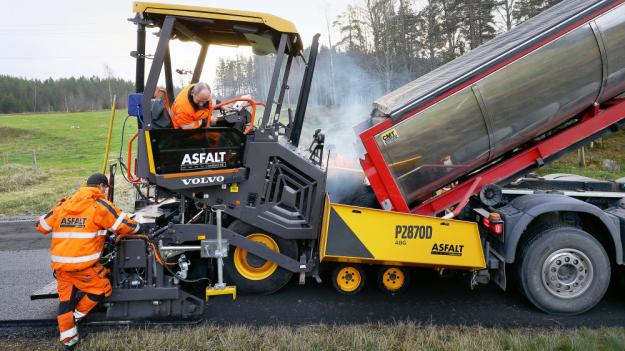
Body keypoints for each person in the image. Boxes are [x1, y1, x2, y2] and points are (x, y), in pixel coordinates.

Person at [36, 173, 144, 349]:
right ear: (101, 186)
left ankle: (68, 340)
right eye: (105, 188)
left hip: (61, 268)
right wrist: (141, 227)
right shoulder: (99, 205)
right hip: (82, 267)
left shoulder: (65, 204)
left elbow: (41, 226)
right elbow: (124, 226)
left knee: (65, 302)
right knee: (100, 288)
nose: (105, 191)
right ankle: (76, 317)